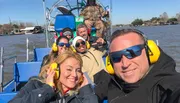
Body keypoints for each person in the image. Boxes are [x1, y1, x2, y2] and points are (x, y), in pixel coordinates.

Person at [94, 28, 180, 103]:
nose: (125, 64)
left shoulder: (166, 84)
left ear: (150, 52)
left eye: (133, 52)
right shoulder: (112, 81)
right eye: (116, 57)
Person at [9, 51, 99, 103]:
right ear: (56, 70)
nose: (75, 75)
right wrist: (47, 90)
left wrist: (87, 91)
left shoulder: (83, 94)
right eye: (69, 69)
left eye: (78, 70)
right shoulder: (35, 85)